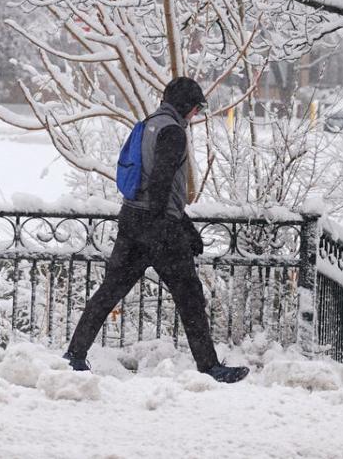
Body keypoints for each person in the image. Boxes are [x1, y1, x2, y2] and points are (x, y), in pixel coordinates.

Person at [63, 77, 250, 384]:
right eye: (196, 109)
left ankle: (75, 354)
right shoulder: (173, 132)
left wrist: (182, 223)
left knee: (109, 292)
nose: (195, 116)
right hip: (159, 228)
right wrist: (179, 229)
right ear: (187, 106)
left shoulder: (149, 124)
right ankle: (210, 367)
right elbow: (161, 183)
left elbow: (145, 179)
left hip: (131, 219)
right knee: (190, 297)